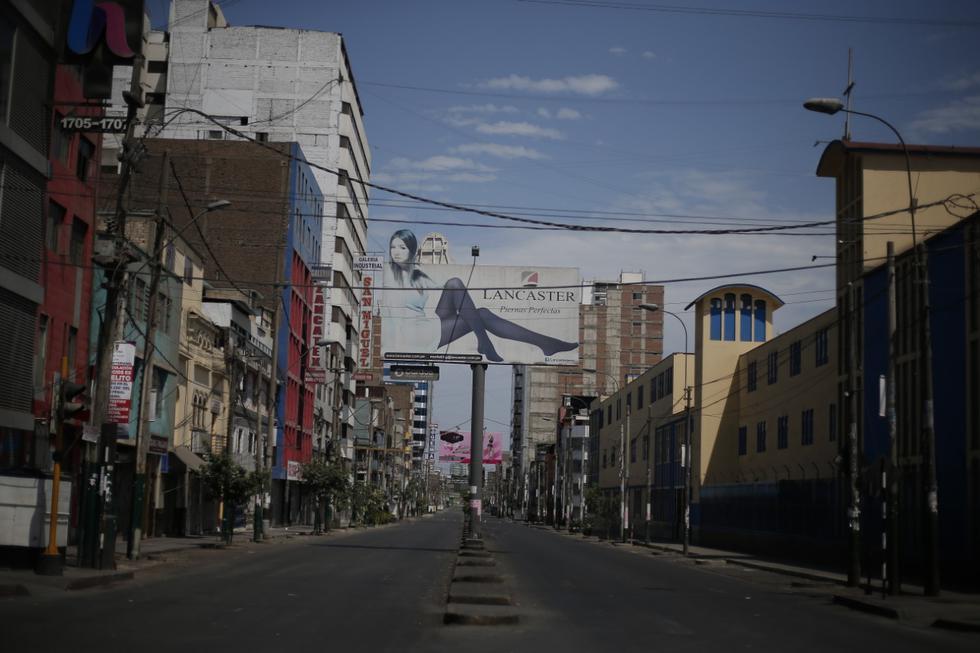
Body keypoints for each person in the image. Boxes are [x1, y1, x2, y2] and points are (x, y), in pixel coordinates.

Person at [383, 229, 579, 363]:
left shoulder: (417, 273)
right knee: (482, 314)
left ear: (412, 250)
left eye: (402, 247)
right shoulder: (390, 276)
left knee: (455, 283)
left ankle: (486, 342)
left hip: (428, 323)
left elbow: (444, 283)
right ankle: (489, 342)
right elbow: (390, 317)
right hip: (414, 337)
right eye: (393, 247)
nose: (396, 252)